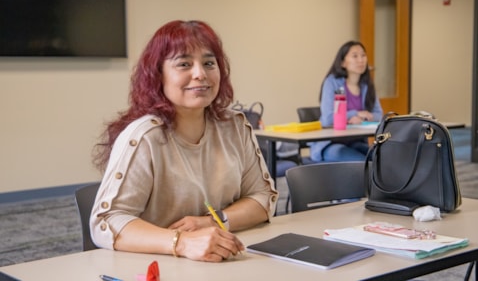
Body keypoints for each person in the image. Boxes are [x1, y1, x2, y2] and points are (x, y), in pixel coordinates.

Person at [89, 20, 278, 262]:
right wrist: (182, 242)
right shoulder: (144, 136)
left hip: (223, 261)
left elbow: (263, 199)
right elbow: (106, 222)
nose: (200, 74)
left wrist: (212, 221)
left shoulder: (235, 126)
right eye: (184, 64)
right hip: (157, 265)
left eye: (209, 63)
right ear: (158, 76)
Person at [310, 41, 383, 162]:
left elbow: (379, 115)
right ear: (343, 62)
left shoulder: (367, 85)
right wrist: (356, 114)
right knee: (363, 164)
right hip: (330, 144)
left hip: (355, 141)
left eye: (363, 55)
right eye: (355, 56)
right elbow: (328, 118)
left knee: (382, 159)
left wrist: (363, 119)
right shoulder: (331, 82)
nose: (361, 60)